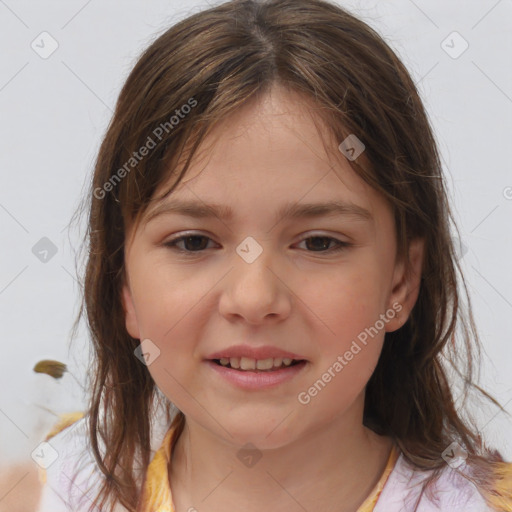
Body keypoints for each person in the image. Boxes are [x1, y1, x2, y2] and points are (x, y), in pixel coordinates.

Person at [35, 0, 512, 510]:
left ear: (401, 281)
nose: (254, 298)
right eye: (194, 241)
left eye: (319, 242)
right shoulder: (59, 486)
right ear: (123, 285)